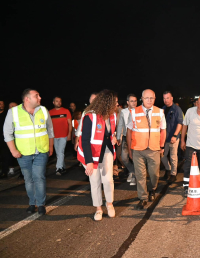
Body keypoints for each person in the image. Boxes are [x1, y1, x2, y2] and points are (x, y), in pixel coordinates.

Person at [3, 89, 54, 215]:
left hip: (41, 151)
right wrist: (13, 150)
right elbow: (7, 133)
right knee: (28, 179)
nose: (40, 97)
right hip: (23, 153)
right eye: (36, 96)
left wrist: (51, 147)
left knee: (39, 177)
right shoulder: (13, 112)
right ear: (27, 99)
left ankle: (41, 204)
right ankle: (32, 203)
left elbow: (50, 130)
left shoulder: (43, 110)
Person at [77, 89, 118, 221]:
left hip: (106, 150)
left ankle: (109, 204)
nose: (116, 104)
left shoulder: (113, 115)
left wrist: (114, 138)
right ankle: (98, 208)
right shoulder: (89, 116)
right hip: (92, 153)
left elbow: (112, 132)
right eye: (114, 102)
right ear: (107, 102)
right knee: (94, 181)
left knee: (108, 180)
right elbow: (85, 140)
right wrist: (89, 161)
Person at [126, 89, 166, 210]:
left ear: (154, 99)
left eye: (152, 98)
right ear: (142, 99)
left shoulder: (160, 112)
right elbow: (129, 131)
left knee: (154, 174)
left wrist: (162, 146)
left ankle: (152, 189)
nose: (149, 100)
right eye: (146, 98)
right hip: (138, 149)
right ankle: (142, 198)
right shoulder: (133, 112)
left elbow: (163, 130)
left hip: (154, 149)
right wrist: (129, 149)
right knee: (140, 175)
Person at [161, 91, 183, 183]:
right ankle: (168, 169)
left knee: (173, 157)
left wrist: (175, 135)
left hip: (173, 137)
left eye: (168, 98)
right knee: (162, 155)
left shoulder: (177, 109)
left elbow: (180, 123)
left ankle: (173, 174)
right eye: (164, 98)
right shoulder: (163, 109)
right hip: (164, 138)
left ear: (172, 98)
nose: (166, 100)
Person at [116, 94, 137, 185]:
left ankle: (135, 177)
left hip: (136, 138)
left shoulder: (139, 111)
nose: (134, 103)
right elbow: (120, 124)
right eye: (132, 101)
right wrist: (118, 138)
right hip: (125, 137)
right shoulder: (123, 112)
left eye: (135, 101)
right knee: (124, 158)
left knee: (135, 158)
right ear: (128, 102)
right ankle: (132, 171)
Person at [49, 96, 72, 175]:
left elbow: (70, 124)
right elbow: (48, 126)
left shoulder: (66, 111)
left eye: (60, 101)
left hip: (63, 135)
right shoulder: (50, 112)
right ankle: (63, 167)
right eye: (56, 101)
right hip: (54, 136)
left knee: (60, 152)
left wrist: (69, 134)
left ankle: (59, 168)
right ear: (53, 102)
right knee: (59, 152)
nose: (58, 103)